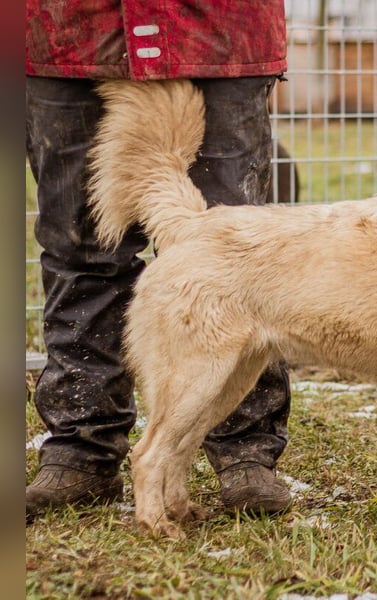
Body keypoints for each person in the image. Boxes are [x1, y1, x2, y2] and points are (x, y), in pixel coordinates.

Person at [25, 1, 293, 519]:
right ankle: (82, 448)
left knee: (242, 254)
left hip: (220, 30)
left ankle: (245, 450)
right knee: (79, 248)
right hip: (70, 31)